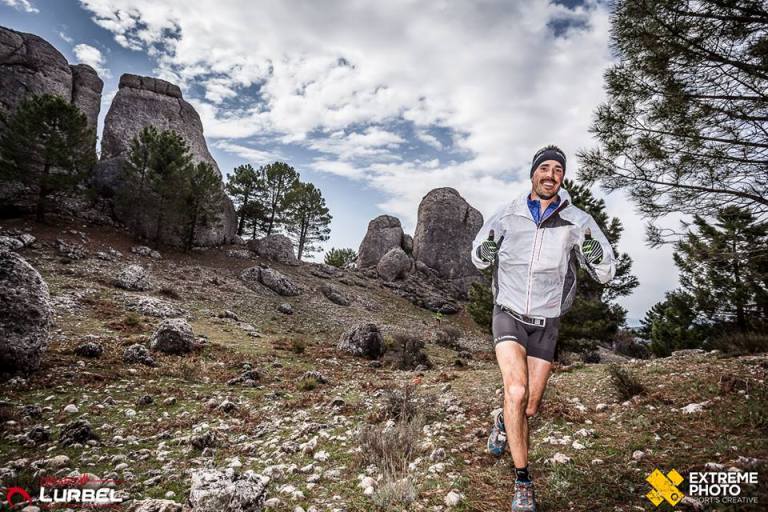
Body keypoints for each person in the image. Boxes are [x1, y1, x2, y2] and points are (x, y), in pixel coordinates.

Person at [470, 145, 616, 511]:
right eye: (545, 168)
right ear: (533, 173)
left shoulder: (578, 221)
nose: (551, 175)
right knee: (516, 390)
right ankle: (523, 481)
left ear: (562, 177)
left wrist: (596, 257)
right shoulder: (508, 214)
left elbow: (606, 272)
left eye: (558, 170)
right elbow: (478, 255)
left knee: (530, 407)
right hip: (508, 312)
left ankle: (502, 421)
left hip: (547, 322)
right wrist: (484, 253)